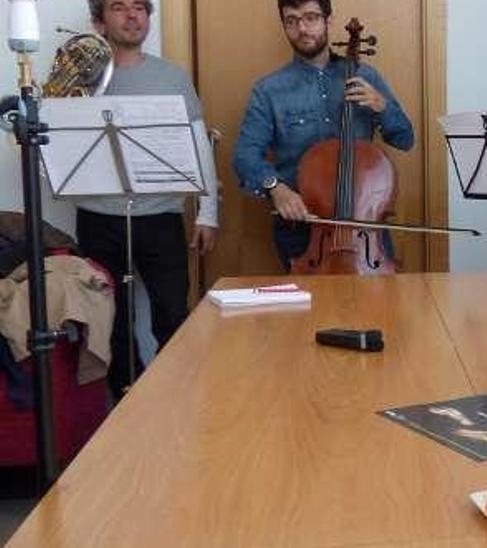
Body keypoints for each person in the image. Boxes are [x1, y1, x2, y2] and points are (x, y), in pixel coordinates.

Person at [77, 0, 220, 398]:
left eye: (140, 7)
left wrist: (208, 212)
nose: (132, 15)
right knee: (110, 322)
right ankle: (126, 402)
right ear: (98, 21)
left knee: (173, 314)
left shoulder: (172, 76)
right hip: (97, 216)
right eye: (119, 7)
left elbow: (198, 146)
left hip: (160, 216)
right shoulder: (80, 80)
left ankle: (178, 398)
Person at [233, 0, 413, 269]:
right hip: (303, 229)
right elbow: (244, 156)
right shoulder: (268, 90)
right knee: (309, 309)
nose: (302, 28)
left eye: (310, 17)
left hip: (365, 226)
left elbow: (405, 139)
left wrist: (382, 107)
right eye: (291, 20)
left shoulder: (366, 76)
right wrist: (275, 188)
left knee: (377, 309)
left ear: (328, 21)